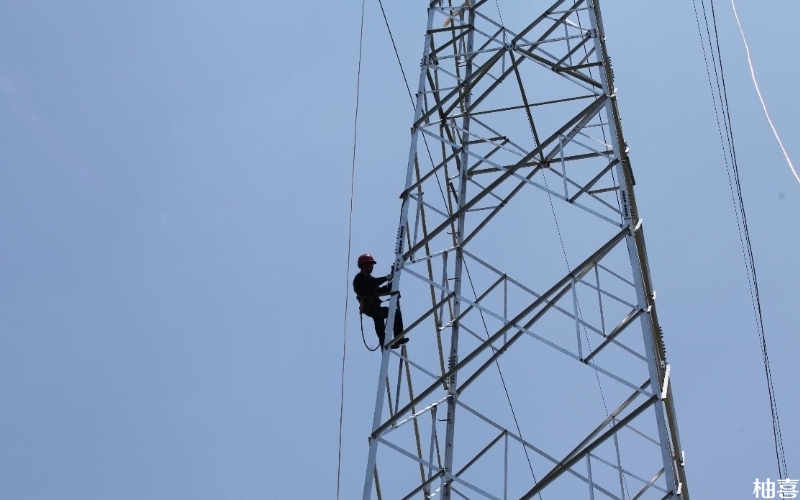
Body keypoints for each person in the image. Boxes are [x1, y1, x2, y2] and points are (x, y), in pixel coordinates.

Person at [353, 253, 409, 349]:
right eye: (370, 264)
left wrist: (393, 282)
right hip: (370, 307)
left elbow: (380, 290)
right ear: (363, 265)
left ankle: (398, 338)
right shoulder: (360, 278)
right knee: (378, 317)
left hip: (375, 306)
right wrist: (385, 278)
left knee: (395, 312)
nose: (372, 267)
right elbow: (373, 283)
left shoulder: (368, 279)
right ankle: (384, 342)